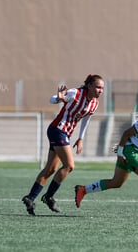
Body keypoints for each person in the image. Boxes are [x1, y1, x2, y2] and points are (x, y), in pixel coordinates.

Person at [74, 102, 138, 218]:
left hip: (133, 152)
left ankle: (83, 189)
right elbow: (126, 133)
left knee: (116, 182)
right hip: (130, 151)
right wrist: (120, 152)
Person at [22, 74, 104, 215]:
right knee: (69, 166)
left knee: (51, 169)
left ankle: (30, 198)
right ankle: (48, 197)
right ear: (89, 85)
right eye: (97, 87)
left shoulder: (94, 103)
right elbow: (52, 99)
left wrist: (81, 138)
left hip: (65, 134)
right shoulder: (75, 93)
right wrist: (58, 98)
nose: (100, 90)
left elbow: (86, 119)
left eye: (102, 88)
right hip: (57, 130)